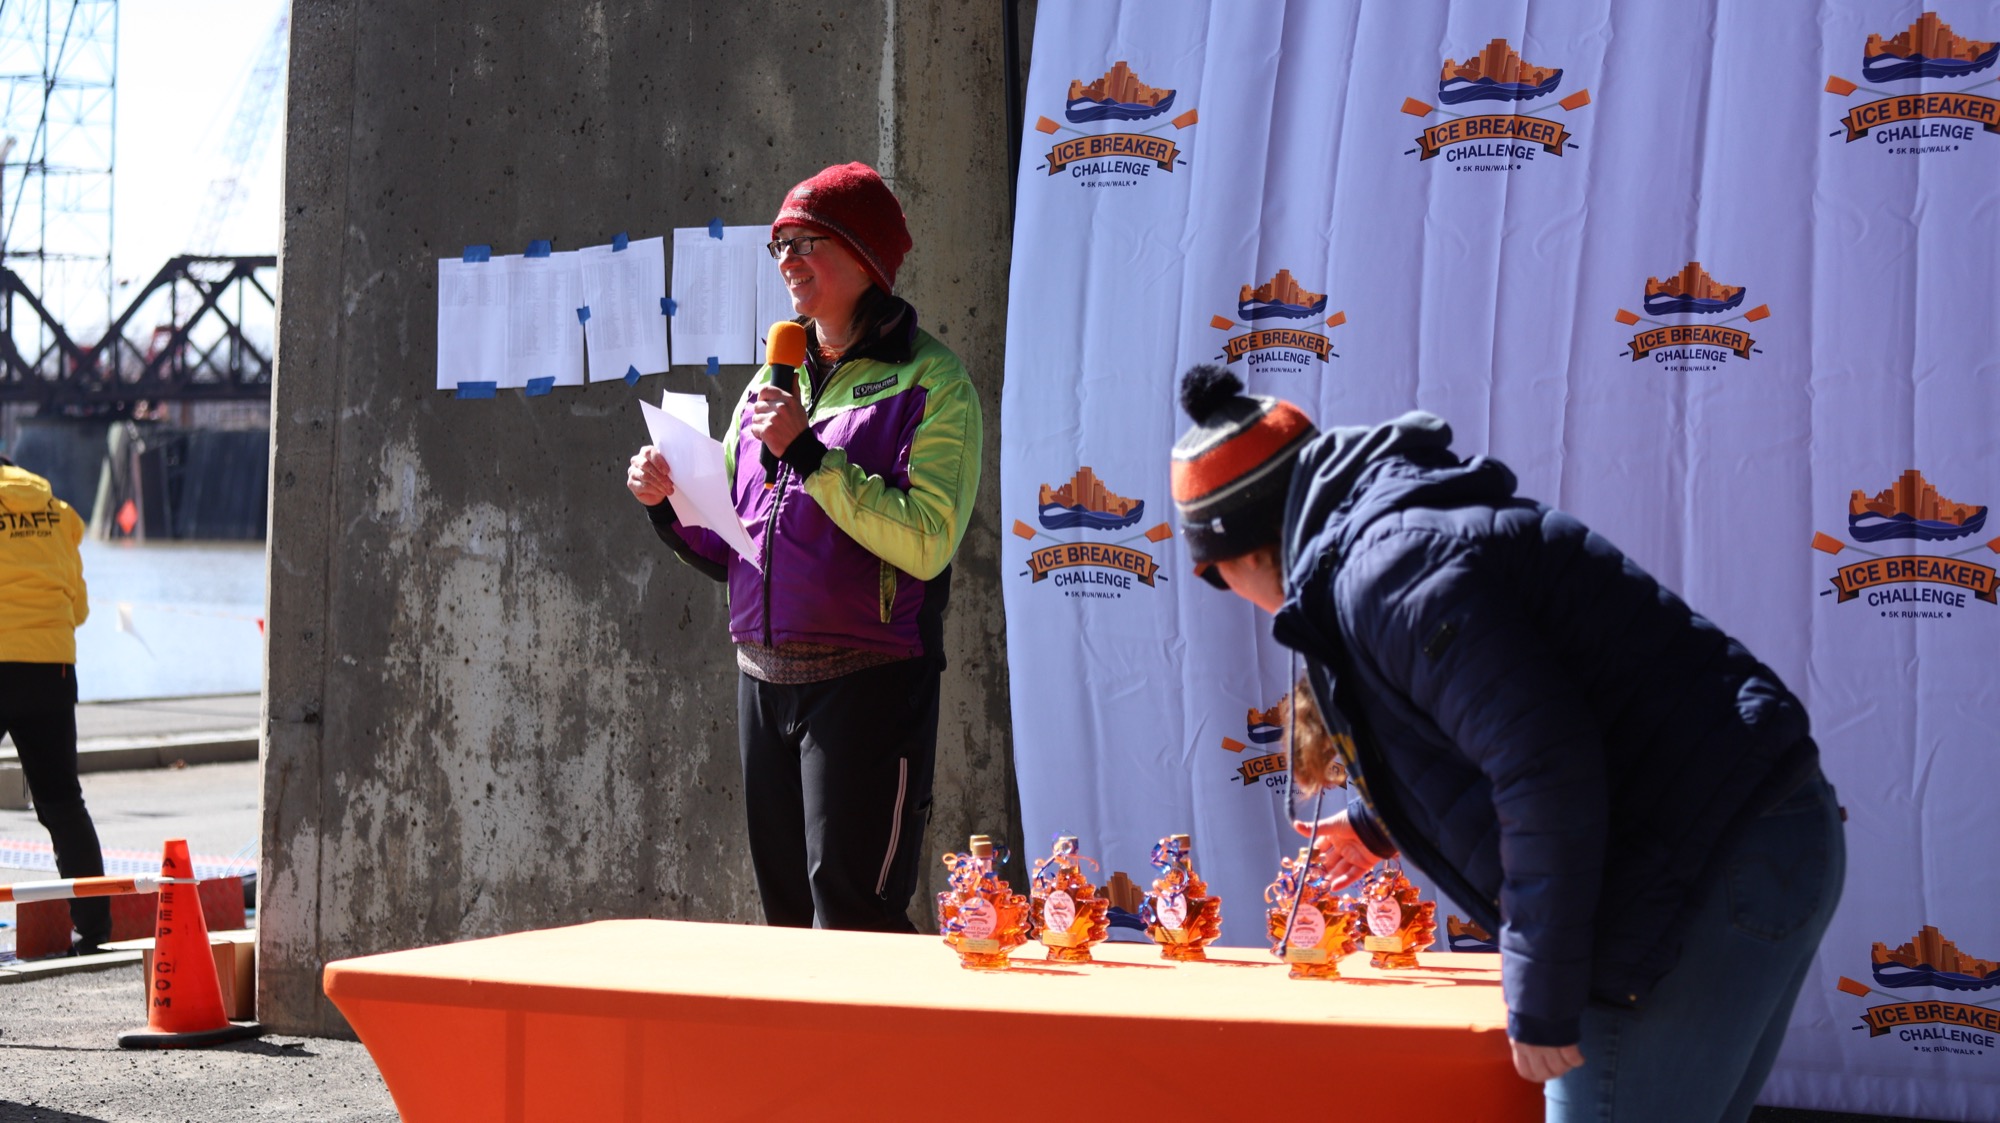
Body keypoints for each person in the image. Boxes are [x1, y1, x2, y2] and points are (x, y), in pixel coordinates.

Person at [1168, 365, 1844, 1123]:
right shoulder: (1386, 540)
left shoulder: (1386, 569)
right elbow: (1491, 726)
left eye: (1215, 577)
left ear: (1239, 554)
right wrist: (1378, 824)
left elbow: (1543, 764)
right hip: (1748, 831)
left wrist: (1545, 989)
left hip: (1705, 865)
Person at [625, 162, 982, 932]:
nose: (787, 259)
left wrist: (813, 456)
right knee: (787, 924)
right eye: (779, 244)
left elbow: (927, 540)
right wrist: (668, 501)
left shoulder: (933, 381)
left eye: (806, 242)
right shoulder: (772, 379)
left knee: (855, 918)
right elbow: (734, 542)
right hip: (763, 680)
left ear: (865, 257)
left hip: (870, 680)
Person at [0, 455, 110, 956]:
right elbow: (79, 609)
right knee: (63, 802)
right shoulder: (57, 512)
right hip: (50, 668)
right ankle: (94, 929)